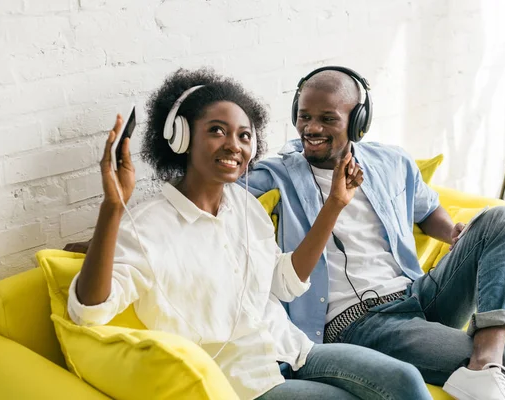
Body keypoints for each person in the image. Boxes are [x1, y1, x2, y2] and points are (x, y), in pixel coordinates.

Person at [67, 68, 433, 400]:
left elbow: (285, 282)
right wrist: (112, 210)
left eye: (244, 136)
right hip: (244, 380)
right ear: (180, 138)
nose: (234, 145)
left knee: (405, 380)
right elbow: (88, 311)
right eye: (216, 131)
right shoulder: (145, 227)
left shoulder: (245, 207)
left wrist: (334, 204)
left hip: (294, 350)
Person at [240, 66, 505, 400]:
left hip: (417, 294)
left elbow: (427, 211)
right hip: (360, 323)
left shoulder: (391, 162)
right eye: (304, 116)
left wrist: (452, 231)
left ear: (358, 122)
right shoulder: (277, 174)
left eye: (327, 118)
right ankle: (493, 368)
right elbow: (221, 191)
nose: (312, 128)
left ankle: (486, 364)